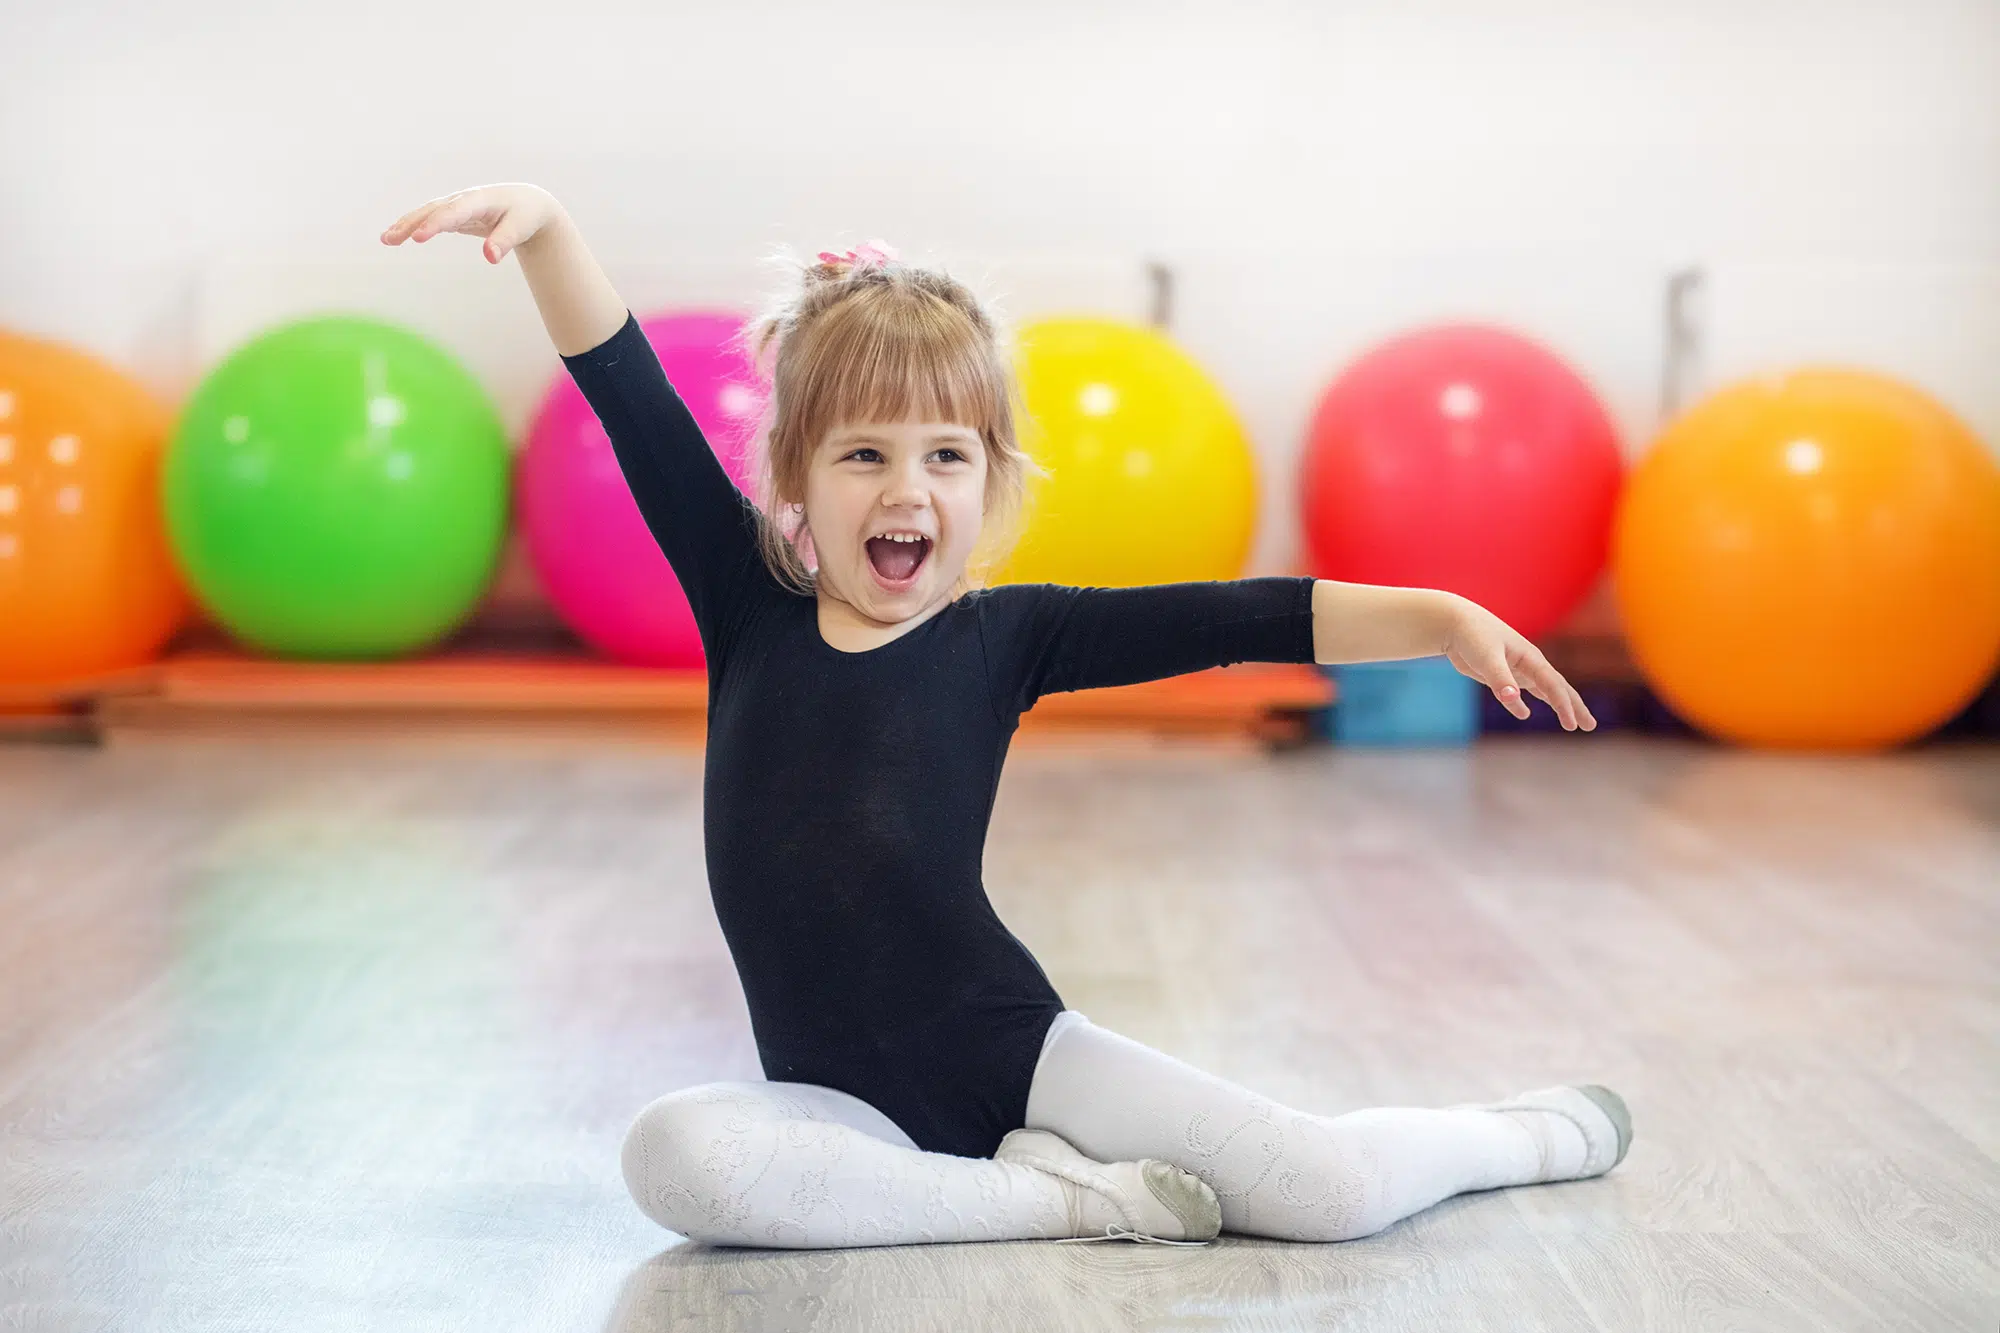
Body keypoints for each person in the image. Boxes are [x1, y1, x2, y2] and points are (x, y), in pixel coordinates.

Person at [382, 184, 1628, 1250]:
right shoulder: (745, 604)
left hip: (1015, 1053)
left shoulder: (1007, 637)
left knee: (1327, 1188)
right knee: (675, 1158)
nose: (905, 488)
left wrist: (1437, 614)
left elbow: (1236, 615)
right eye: (862, 456)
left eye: (944, 457)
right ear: (794, 483)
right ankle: (1061, 1206)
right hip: (837, 1114)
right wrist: (545, 230)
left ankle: (1521, 1131)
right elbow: (629, 395)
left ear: (990, 483)